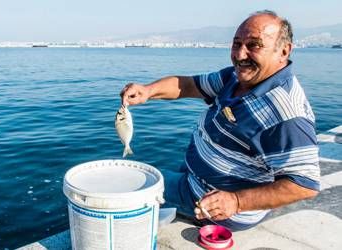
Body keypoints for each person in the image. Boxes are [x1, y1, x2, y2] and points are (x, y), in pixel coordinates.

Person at [120, 10, 320, 231]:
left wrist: (236, 201)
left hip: (209, 201)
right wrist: (148, 91)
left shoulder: (285, 114)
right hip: (194, 175)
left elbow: (304, 185)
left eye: (254, 45)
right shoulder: (236, 77)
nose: (240, 55)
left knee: (128, 186)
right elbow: (189, 85)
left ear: (284, 50)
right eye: (236, 44)